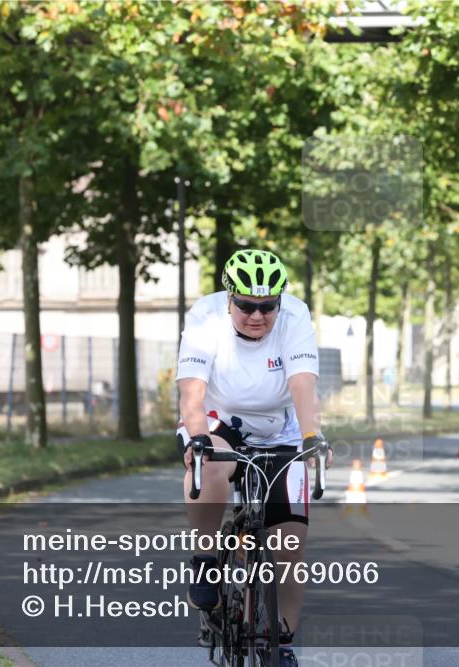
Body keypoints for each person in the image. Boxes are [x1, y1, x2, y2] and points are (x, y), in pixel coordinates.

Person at [176, 248, 333, 667]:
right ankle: (206, 559)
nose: (257, 315)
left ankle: (281, 641)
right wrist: (196, 437)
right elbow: (191, 391)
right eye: (246, 305)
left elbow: (302, 383)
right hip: (217, 420)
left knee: (290, 542)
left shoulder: (296, 316)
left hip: (280, 428)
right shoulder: (205, 316)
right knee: (212, 461)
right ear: (229, 298)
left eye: (267, 307)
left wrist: (312, 435)